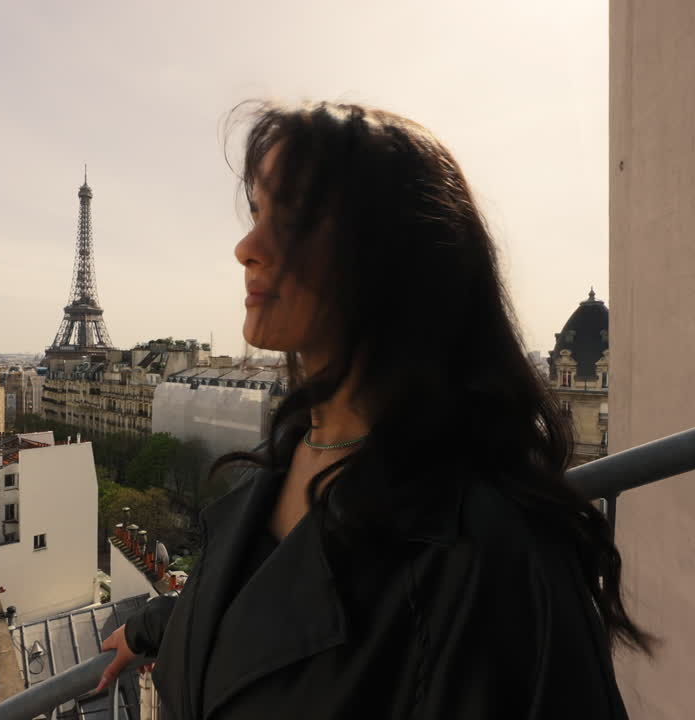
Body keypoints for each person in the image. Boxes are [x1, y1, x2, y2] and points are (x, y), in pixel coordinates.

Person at [95, 101, 651, 719]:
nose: (246, 247)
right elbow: (263, 602)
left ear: (394, 257)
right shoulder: (295, 453)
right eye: (257, 212)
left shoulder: (495, 551)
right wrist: (153, 629)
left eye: (295, 218)